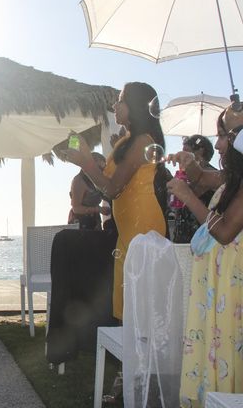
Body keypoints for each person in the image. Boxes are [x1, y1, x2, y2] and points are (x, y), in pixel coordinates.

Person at [63, 82, 168, 320]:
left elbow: (112, 189)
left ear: (136, 106)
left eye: (120, 100)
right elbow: (107, 182)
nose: (115, 104)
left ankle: (137, 353)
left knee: (139, 299)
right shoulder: (128, 140)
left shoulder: (142, 141)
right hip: (129, 225)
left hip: (142, 225)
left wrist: (86, 163)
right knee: (129, 294)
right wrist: (90, 159)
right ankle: (132, 352)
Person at [167, 106, 243, 406]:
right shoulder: (233, 176)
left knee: (224, 346)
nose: (219, 143)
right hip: (217, 282)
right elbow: (206, 179)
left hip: (230, 287)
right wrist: (190, 166)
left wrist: (188, 198)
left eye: (225, 135)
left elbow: (224, 232)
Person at [171, 135, 216, 243]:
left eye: (186, 152)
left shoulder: (211, 175)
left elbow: (196, 190)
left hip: (203, 241)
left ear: (201, 151)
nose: (181, 155)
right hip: (184, 238)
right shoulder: (185, 176)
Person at [68, 152, 111, 229]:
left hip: (94, 219)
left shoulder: (97, 179)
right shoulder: (79, 180)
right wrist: (98, 209)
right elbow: (76, 208)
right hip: (81, 222)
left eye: (104, 168)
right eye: (100, 168)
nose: (102, 171)